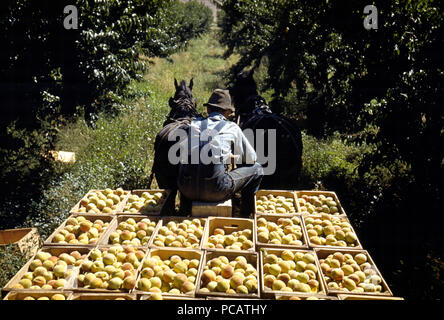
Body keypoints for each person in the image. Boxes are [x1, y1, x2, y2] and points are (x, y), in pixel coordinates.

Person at [177, 89, 264, 217]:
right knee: (257, 168)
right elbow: (251, 158)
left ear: (208, 110)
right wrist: (233, 158)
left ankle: (184, 210)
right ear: (228, 112)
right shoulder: (232, 127)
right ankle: (245, 214)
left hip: (186, 189)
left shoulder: (194, 124)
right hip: (216, 190)